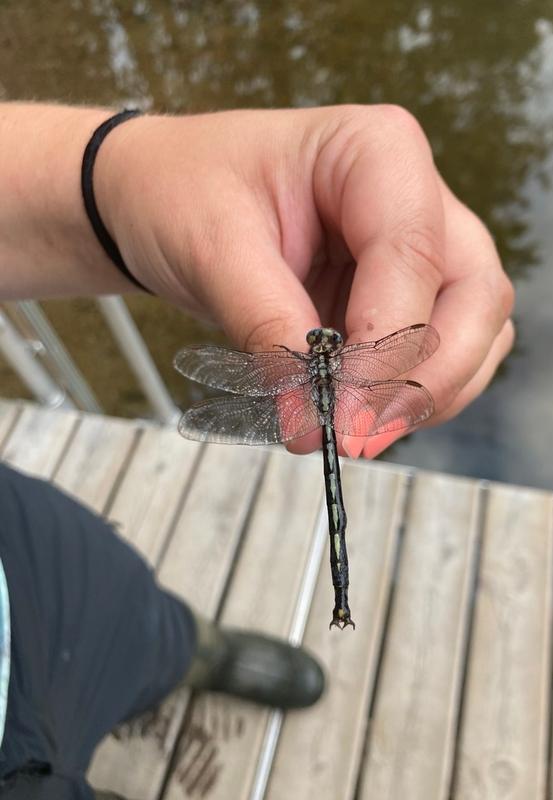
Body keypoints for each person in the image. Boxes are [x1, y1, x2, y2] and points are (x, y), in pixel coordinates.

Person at [0, 102, 514, 799]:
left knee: (125, 605)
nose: (322, 341)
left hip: (24, 562)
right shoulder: (335, 366)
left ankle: (180, 647)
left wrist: (107, 183)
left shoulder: (309, 368)